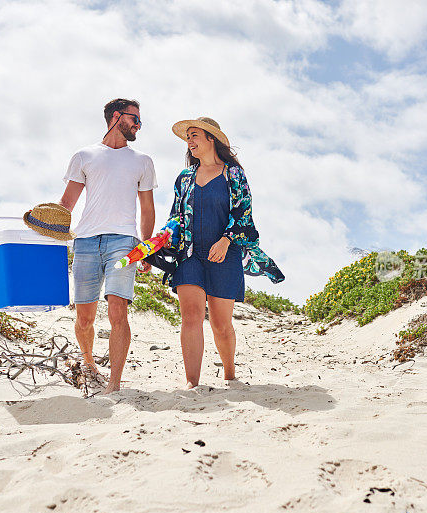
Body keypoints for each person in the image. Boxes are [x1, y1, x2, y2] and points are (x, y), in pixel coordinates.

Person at [166, 117, 283, 388]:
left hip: (224, 256)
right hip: (190, 255)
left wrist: (227, 240)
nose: (190, 141)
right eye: (188, 137)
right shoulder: (184, 178)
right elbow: (176, 216)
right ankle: (192, 384)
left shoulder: (233, 174)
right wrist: (162, 240)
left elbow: (243, 213)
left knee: (220, 325)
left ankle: (230, 374)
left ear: (211, 139)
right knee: (191, 317)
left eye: (195, 135)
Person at [59, 98, 156, 393]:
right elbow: (67, 204)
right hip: (86, 241)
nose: (138, 125)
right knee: (84, 317)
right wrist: (49, 234)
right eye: (134, 119)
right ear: (117, 117)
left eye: (139, 121)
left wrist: (147, 248)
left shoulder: (142, 161)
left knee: (117, 311)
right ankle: (88, 362)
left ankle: (114, 384)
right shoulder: (84, 156)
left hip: (124, 242)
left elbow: (148, 209)